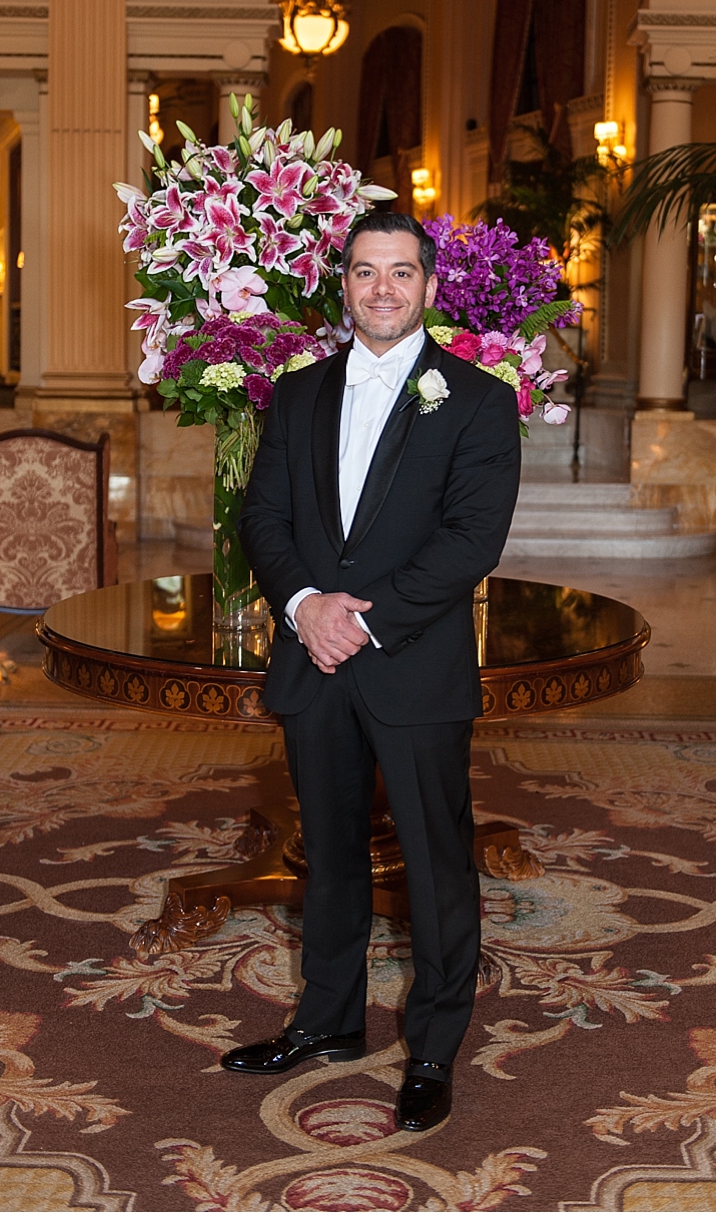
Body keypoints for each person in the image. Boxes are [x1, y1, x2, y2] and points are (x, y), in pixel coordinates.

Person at [221, 212, 521, 1132]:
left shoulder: (475, 399)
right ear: (341, 286)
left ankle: (432, 1044)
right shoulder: (298, 392)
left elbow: (473, 539)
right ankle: (327, 1021)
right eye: (363, 272)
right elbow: (262, 516)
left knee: (434, 862)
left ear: (430, 286)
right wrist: (307, 605)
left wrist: (366, 621)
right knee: (329, 852)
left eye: (401, 272)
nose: (382, 288)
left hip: (412, 662)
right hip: (312, 653)